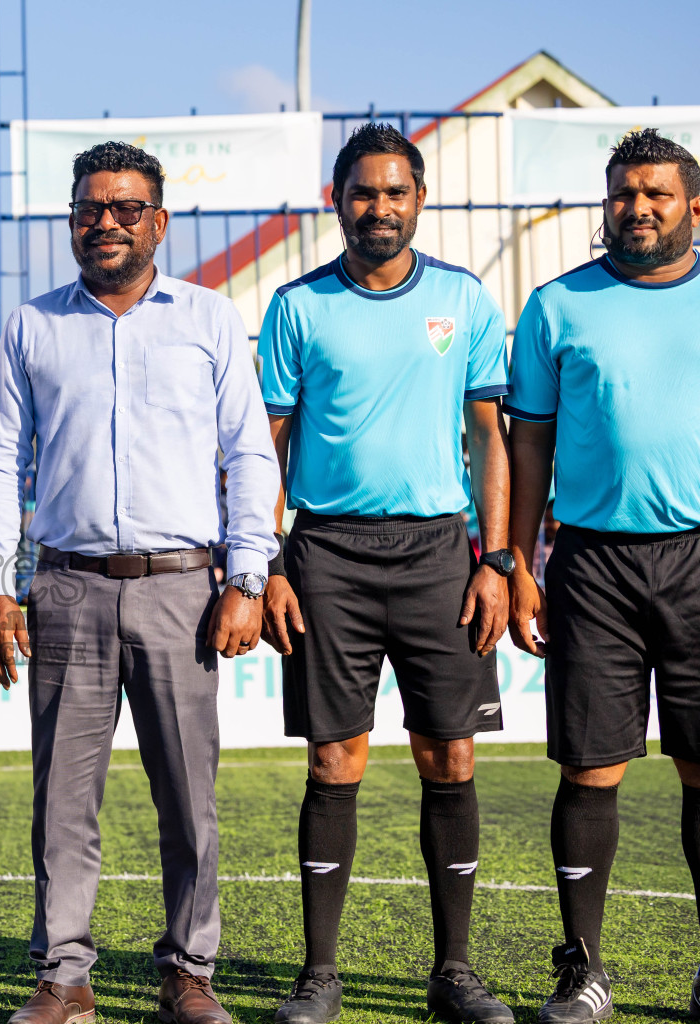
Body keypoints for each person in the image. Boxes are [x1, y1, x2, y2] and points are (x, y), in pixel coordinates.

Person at [0, 140, 278, 1024]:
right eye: (89, 209)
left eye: (125, 208)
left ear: (159, 222)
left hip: (182, 588)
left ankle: (190, 972)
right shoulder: (31, 326)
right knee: (62, 800)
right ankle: (64, 977)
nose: (105, 222)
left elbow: (249, 452)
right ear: (72, 221)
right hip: (65, 587)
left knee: (188, 797)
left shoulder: (210, 319)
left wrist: (247, 575)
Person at [258, 123, 514, 1024]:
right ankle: (319, 975)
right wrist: (269, 562)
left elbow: (490, 437)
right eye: (363, 192)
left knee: (450, 753)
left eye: (395, 191)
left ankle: (455, 971)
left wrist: (497, 559)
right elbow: (267, 446)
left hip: (441, 554)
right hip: (326, 555)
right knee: (336, 758)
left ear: (419, 199)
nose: (379, 207)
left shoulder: (462, 298)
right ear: (336, 202)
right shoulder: (296, 306)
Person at [505, 128, 700, 1023]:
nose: (639, 208)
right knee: (590, 772)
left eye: (657, 193)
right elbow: (529, 446)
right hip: (592, 564)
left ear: (692, 205)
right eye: (625, 193)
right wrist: (519, 563)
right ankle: (582, 971)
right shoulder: (557, 306)